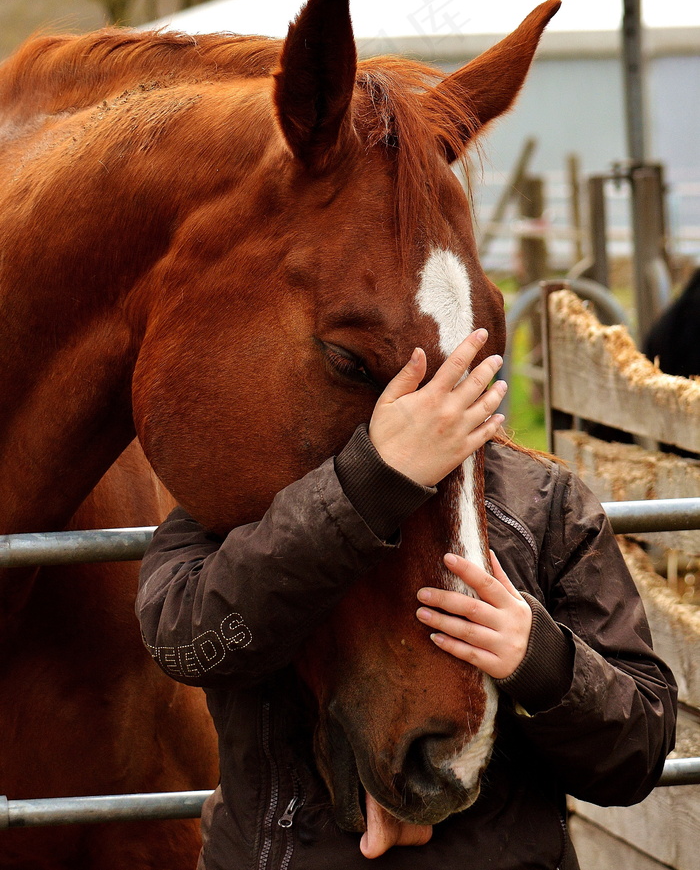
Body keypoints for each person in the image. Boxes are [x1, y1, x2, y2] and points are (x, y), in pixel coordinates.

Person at [136, 329, 677, 870]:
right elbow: (183, 640)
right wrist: (367, 486)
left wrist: (541, 661)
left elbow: (639, 751)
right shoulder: (238, 483)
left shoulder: (543, 503)